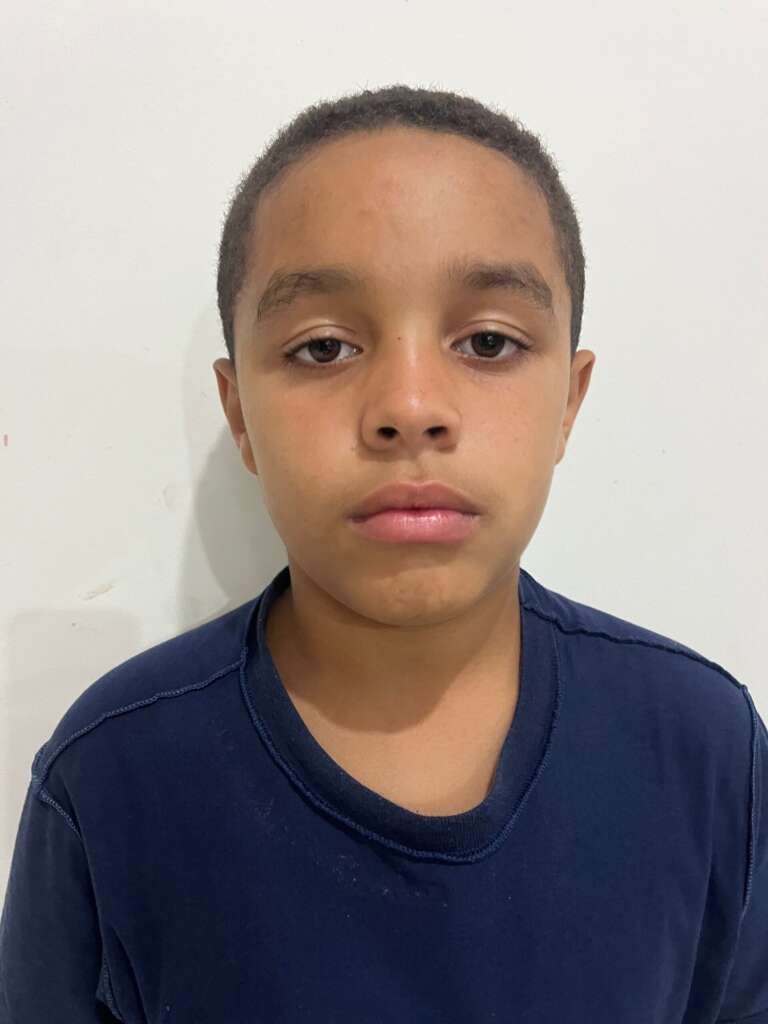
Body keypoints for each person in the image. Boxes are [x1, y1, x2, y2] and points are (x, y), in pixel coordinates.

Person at [1, 84, 765, 1024]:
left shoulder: (705, 749)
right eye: (324, 349)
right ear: (239, 414)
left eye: (487, 341)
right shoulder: (111, 780)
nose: (409, 406)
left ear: (569, 402)